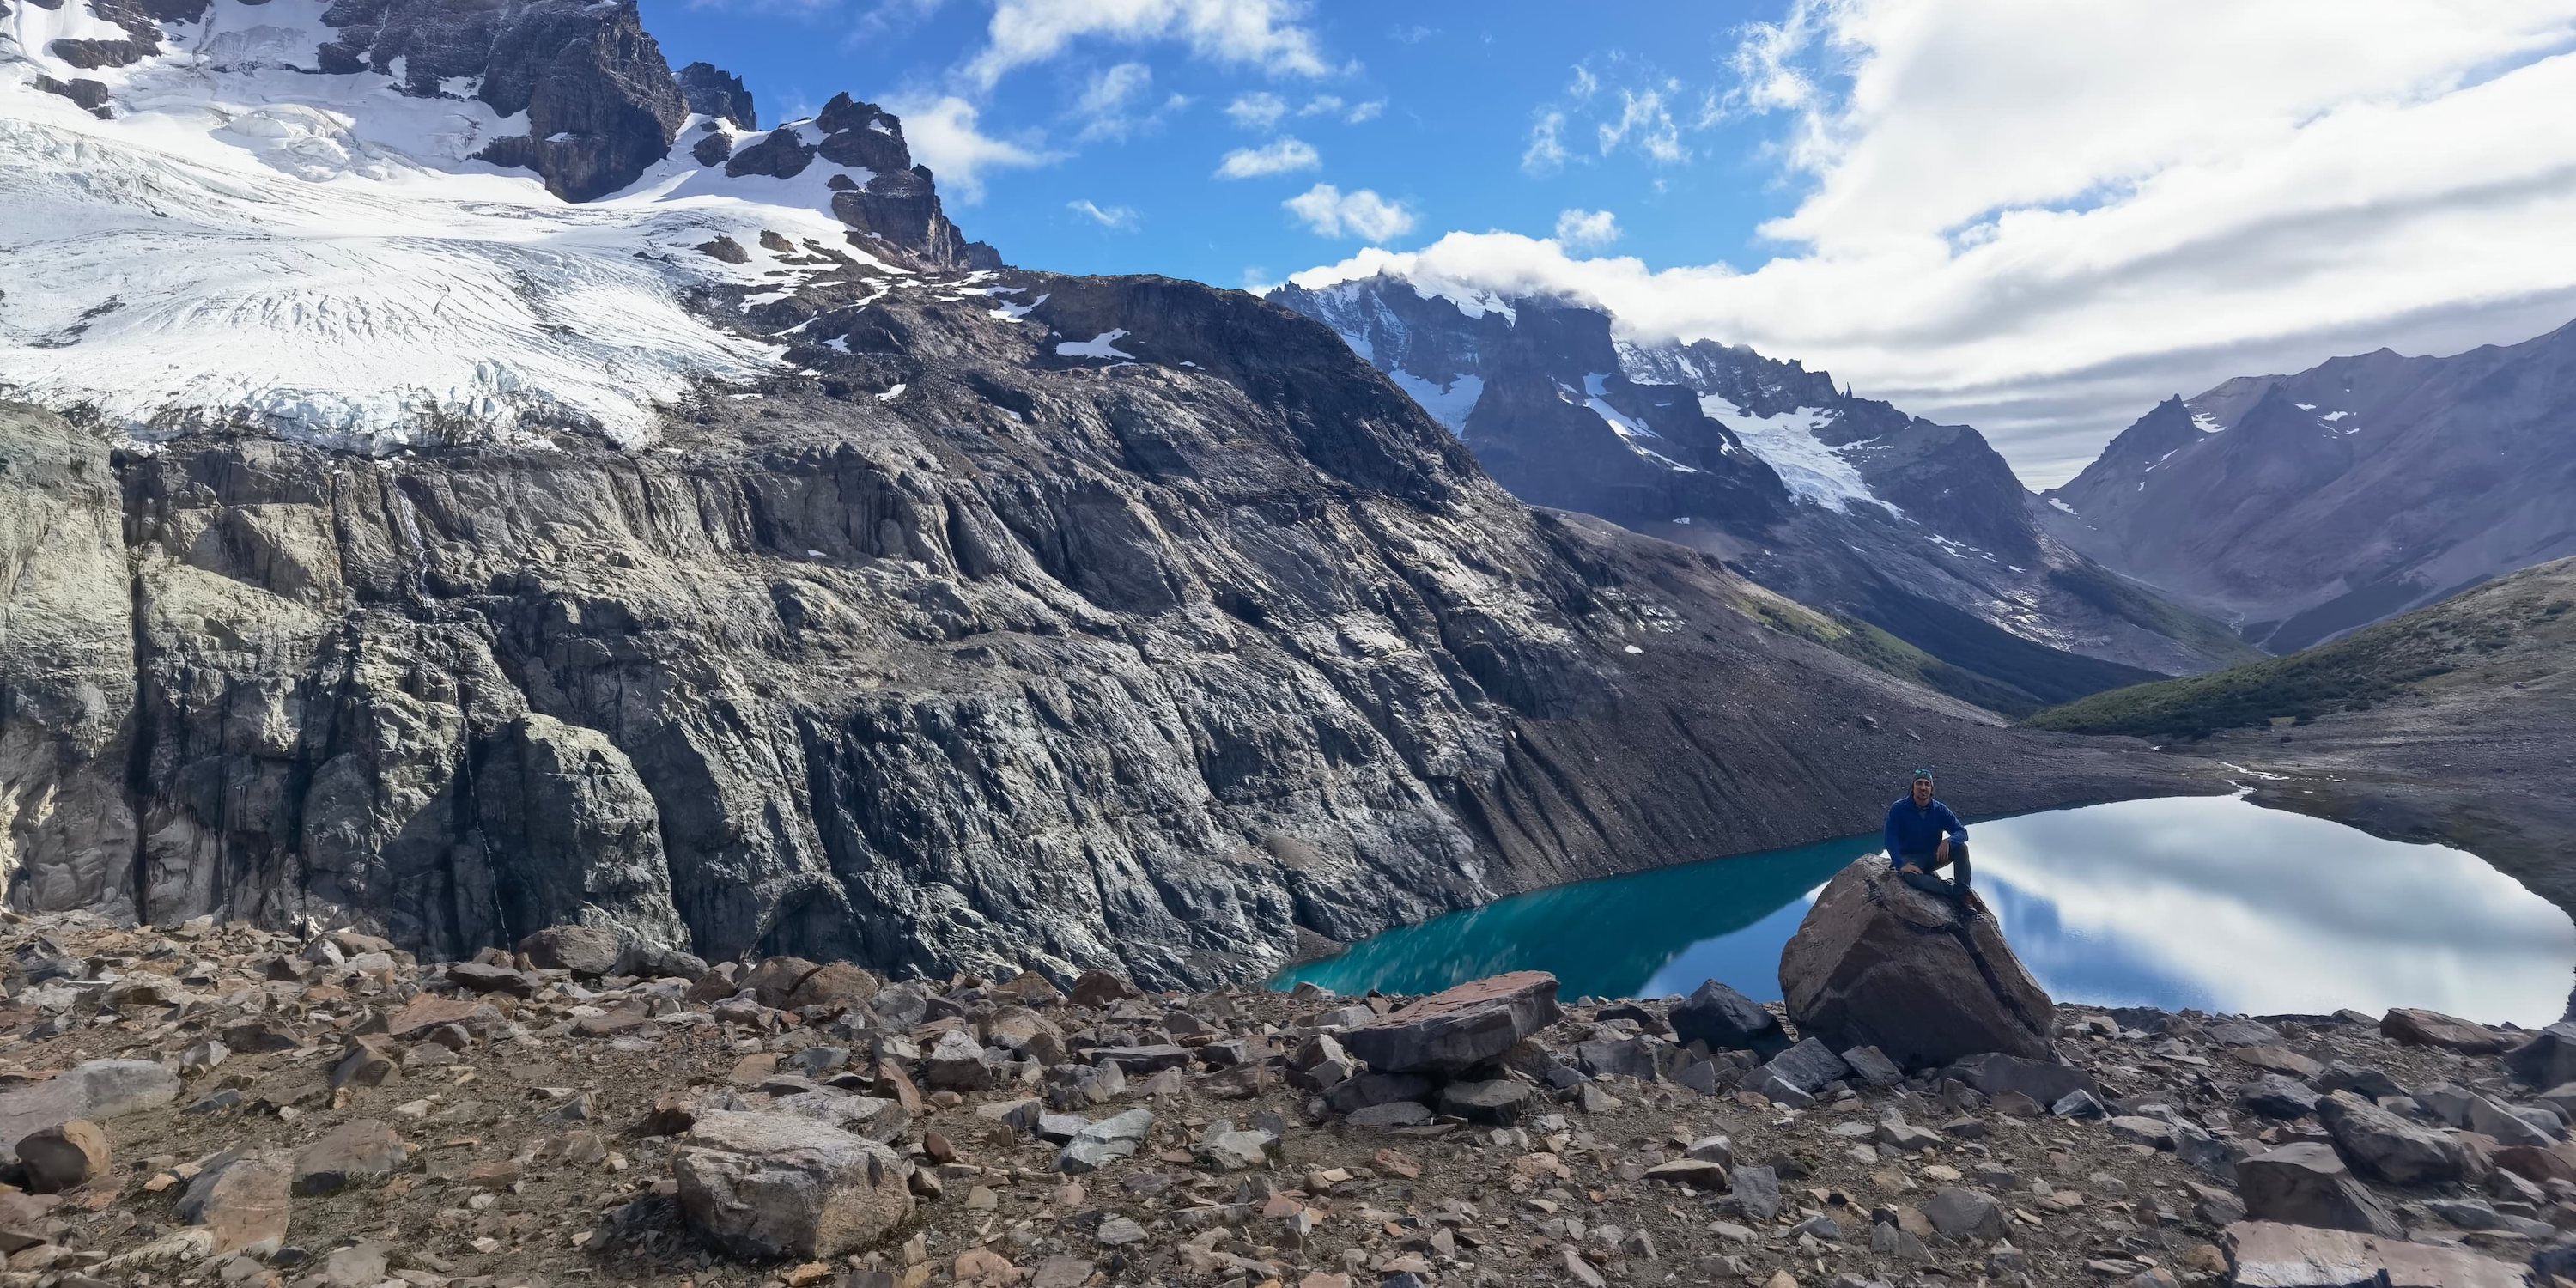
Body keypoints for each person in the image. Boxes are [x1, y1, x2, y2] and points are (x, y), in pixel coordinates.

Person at [1885, 769, 1985, 914]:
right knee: (1911, 877)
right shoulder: (1898, 809)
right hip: (1910, 858)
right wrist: (1900, 864)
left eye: (1927, 784)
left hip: (1933, 856)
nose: (1923, 787)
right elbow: (1890, 838)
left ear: (1932, 789)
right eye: (1919, 783)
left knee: (1961, 848)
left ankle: (1963, 893)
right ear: (1912, 787)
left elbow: (1962, 832)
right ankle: (1953, 892)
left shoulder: (1940, 809)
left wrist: (1949, 841)